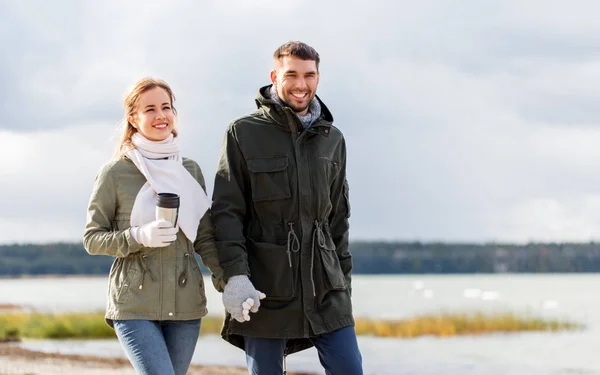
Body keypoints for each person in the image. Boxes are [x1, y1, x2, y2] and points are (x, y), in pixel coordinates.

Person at [211, 41, 363, 375]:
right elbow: (226, 213)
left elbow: (338, 221)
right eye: (291, 74)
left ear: (318, 78)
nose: (301, 84)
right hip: (265, 288)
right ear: (274, 76)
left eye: (309, 75)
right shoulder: (243, 133)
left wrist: (345, 285)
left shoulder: (332, 139)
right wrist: (234, 278)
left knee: (350, 368)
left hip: (326, 288)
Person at [83, 77, 224, 375]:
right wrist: (137, 236)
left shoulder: (190, 170)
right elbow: (93, 239)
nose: (161, 116)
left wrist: (231, 283)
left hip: (186, 304)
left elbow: (205, 237)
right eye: (150, 109)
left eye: (166, 107)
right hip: (134, 304)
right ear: (133, 118)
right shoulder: (116, 172)